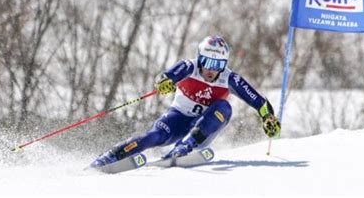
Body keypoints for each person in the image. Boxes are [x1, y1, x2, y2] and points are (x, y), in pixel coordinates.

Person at [90, 35, 280, 167]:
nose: (211, 70)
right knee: (152, 137)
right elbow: (166, 76)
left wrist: (268, 117)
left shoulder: (230, 79)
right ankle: (110, 156)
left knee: (224, 107)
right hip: (176, 119)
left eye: (218, 65)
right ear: (199, 58)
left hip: (201, 129)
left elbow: (260, 102)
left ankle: (185, 146)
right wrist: (164, 83)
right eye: (207, 62)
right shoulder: (189, 66)